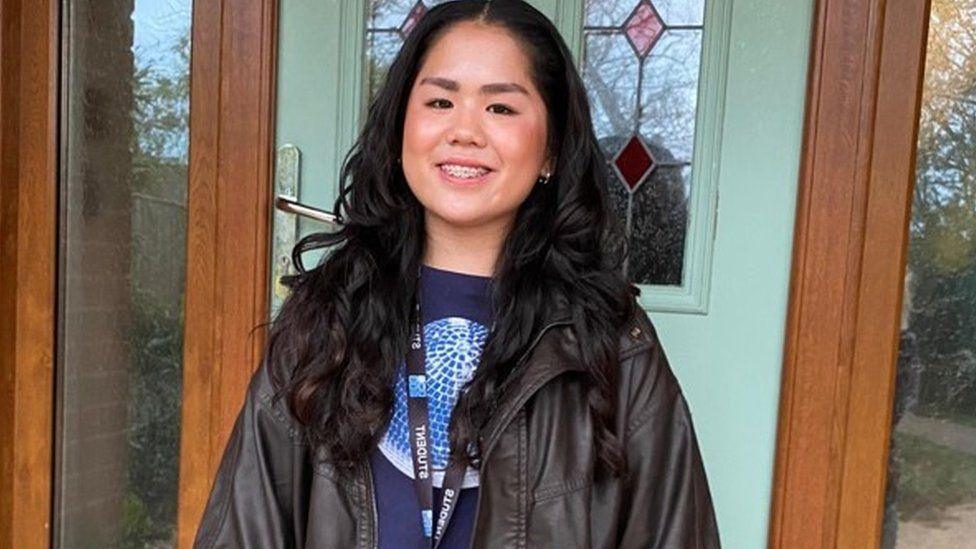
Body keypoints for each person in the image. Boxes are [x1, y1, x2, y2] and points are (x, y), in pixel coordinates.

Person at [193, 1, 720, 547]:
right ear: (401, 131)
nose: (464, 130)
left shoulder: (611, 343)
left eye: (500, 108)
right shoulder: (326, 320)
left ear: (551, 150)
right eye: (440, 100)